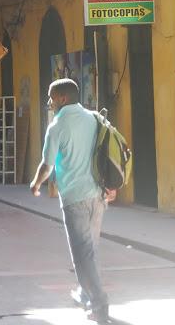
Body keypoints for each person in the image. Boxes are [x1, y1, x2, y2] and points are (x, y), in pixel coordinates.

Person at [30, 78, 111, 324]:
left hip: (74, 198)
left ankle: (99, 303)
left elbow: (47, 164)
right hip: (97, 196)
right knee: (91, 250)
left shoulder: (57, 126)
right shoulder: (94, 118)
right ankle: (85, 294)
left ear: (62, 98)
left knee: (82, 254)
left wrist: (35, 184)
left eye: (51, 97)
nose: (49, 102)